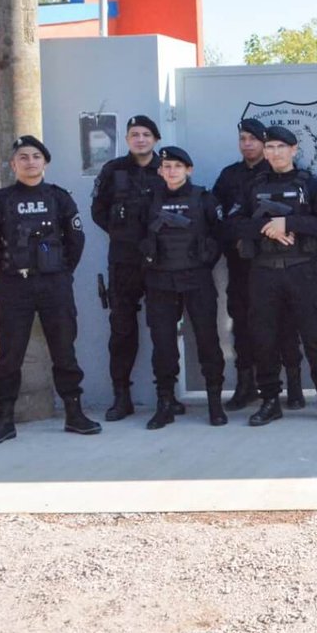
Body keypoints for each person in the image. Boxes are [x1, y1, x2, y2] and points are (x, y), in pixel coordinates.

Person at [0, 135, 101, 445]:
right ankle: (4, 419)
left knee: (64, 349)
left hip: (54, 284)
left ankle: (75, 413)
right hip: (13, 286)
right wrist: (7, 273)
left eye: (36, 156)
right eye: (23, 157)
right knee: (9, 353)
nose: (30, 161)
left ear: (45, 162)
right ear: (13, 164)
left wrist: (59, 273)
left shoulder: (60, 198)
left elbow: (75, 242)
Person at [227, 126, 317, 426]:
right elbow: (234, 223)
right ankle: (270, 400)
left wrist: (288, 222)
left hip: (301, 270)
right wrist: (267, 227)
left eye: (281, 147)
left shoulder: (310, 184)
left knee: (315, 335)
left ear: (294, 150)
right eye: (270, 147)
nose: (275, 152)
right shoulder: (254, 186)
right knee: (264, 338)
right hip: (264, 272)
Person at [214, 119, 306, 411]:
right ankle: (246, 385)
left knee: (286, 325)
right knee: (244, 325)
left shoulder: (281, 174)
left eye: (254, 139)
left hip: (283, 263)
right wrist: (245, 235)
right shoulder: (230, 176)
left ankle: (293, 386)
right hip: (243, 265)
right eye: (243, 138)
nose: (248, 144)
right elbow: (222, 220)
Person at [140, 146, 227, 429]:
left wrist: (205, 259)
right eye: (166, 166)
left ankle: (215, 403)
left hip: (196, 279)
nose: (172, 171)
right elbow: (135, 236)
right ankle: (165, 403)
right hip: (160, 281)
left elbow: (221, 233)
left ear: (188, 170)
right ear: (159, 171)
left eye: (177, 166)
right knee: (163, 345)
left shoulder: (203, 198)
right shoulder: (149, 200)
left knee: (207, 340)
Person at [90, 114, 167, 421]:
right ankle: (122, 396)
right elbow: (98, 210)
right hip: (124, 260)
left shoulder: (167, 167)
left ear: (155, 139)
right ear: (126, 139)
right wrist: (123, 235)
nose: (140, 139)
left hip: (162, 260)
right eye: (134, 134)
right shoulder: (113, 170)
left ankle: (167, 396)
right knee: (122, 328)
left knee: (163, 327)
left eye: (146, 134)